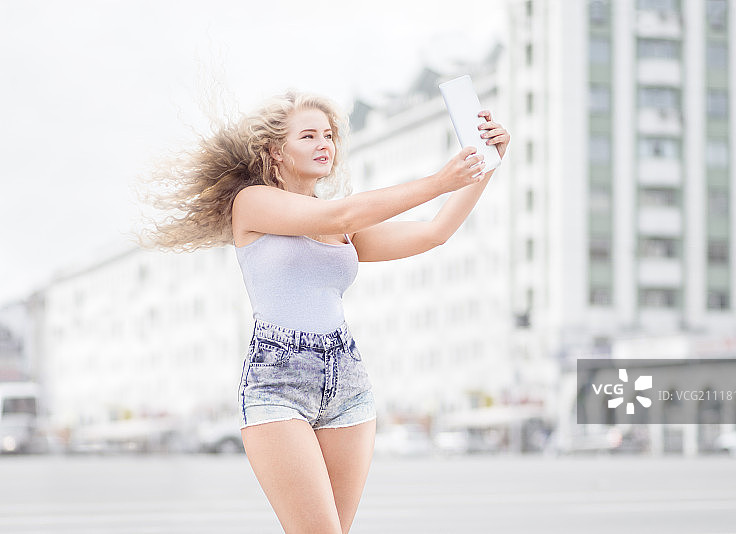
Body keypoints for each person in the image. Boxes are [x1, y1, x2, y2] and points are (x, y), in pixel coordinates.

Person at [138, 91, 509, 534]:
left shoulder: (341, 225)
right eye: (308, 135)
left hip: (348, 382)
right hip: (278, 382)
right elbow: (341, 212)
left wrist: (485, 164)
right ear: (275, 151)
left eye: (329, 135)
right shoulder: (254, 203)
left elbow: (434, 233)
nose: (324, 144)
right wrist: (438, 181)